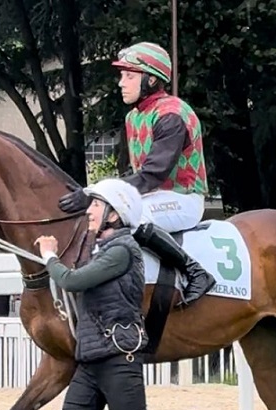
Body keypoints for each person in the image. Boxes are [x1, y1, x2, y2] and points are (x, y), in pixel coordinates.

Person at [35, 178, 233, 410]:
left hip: (118, 364)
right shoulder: (102, 249)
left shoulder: (122, 251)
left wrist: (49, 256)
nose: (89, 211)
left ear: (115, 213)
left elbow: (72, 281)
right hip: (91, 363)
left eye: (96, 205)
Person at [58, 41, 215, 308]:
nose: (121, 82)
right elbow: (136, 174)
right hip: (154, 196)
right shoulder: (134, 117)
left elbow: (152, 174)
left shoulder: (171, 115)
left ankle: (194, 272)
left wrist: (94, 193)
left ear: (152, 80)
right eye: (122, 76)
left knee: (133, 216)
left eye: (129, 76)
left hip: (183, 198)